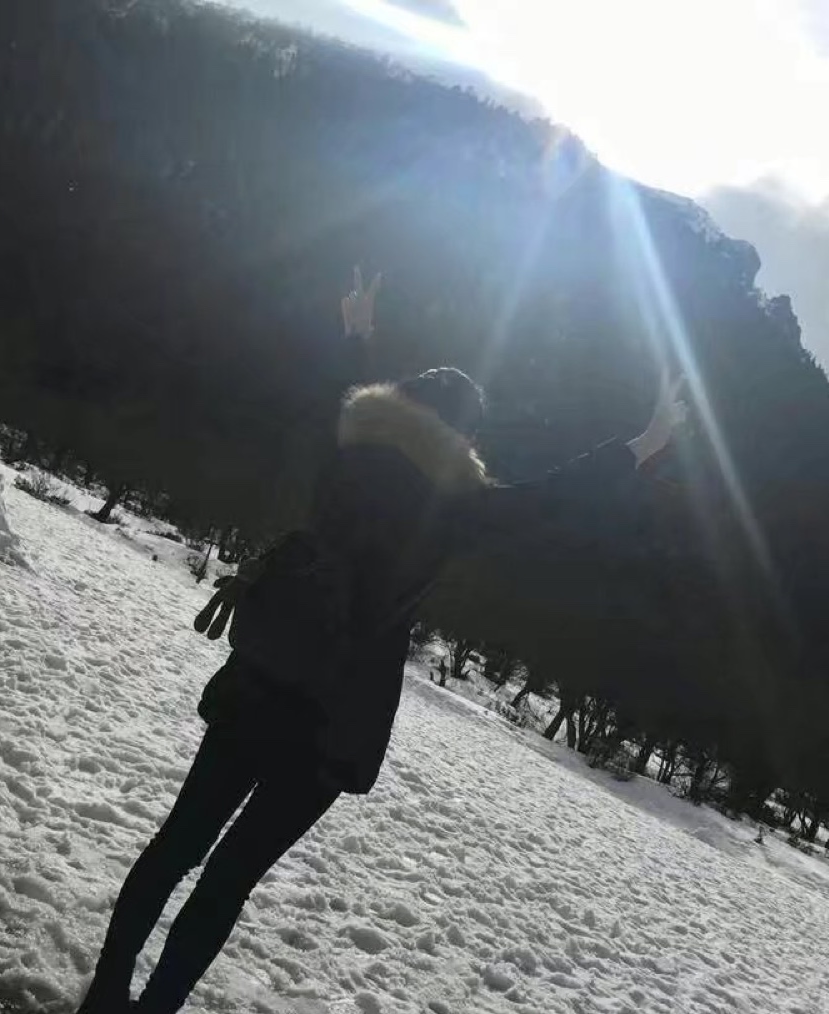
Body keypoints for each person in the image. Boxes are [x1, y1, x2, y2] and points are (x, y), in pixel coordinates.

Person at [76, 269, 687, 1014]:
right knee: (230, 878)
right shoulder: (458, 506)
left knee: (178, 844)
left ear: (398, 405)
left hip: (263, 680)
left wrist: (358, 333)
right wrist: (643, 443)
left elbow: (337, 390)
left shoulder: (346, 452)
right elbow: (552, 497)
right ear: (465, 437)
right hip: (337, 718)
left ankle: (106, 995)